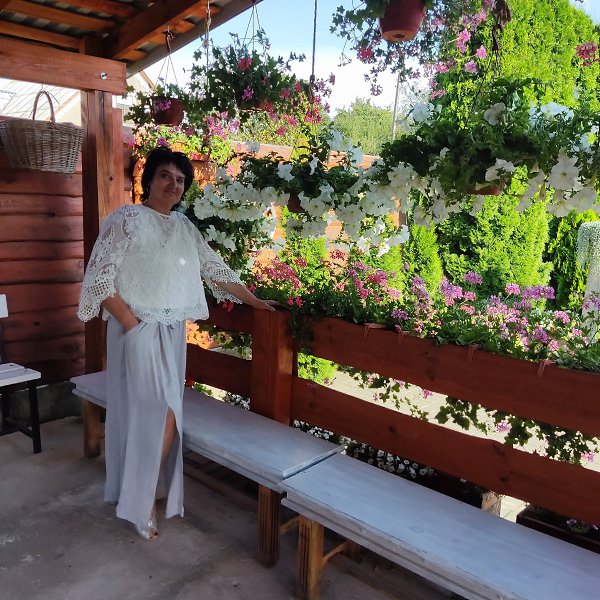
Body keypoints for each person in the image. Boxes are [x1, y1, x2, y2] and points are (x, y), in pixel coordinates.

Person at [77, 147, 277, 540]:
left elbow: (215, 270)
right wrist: (133, 326)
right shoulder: (126, 220)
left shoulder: (185, 228)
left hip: (171, 332)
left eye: (181, 179)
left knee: (163, 415)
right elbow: (99, 279)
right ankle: (142, 503)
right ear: (148, 180)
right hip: (136, 329)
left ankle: (138, 495)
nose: (173, 184)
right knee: (160, 414)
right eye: (165, 175)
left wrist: (253, 300)